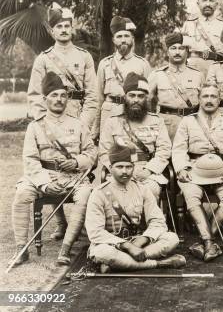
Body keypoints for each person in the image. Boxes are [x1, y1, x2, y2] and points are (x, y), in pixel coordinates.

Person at [12, 72, 96, 266]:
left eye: (62, 95)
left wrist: (76, 162)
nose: (59, 100)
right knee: (22, 193)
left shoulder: (79, 124)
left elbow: (92, 153)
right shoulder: (35, 126)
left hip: (73, 176)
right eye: (54, 95)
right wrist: (44, 183)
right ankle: (21, 249)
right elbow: (30, 159)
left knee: (85, 195)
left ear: (67, 98)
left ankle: (66, 248)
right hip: (44, 175)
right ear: (45, 99)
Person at [86, 145, 185, 272]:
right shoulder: (98, 193)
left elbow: (158, 221)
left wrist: (142, 240)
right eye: (119, 167)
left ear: (133, 168)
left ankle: (120, 263)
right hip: (111, 244)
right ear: (110, 169)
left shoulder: (142, 189)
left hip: (138, 242)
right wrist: (126, 246)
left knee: (171, 238)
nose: (124, 171)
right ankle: (161, 263)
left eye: (128, 167)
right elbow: (95, 232)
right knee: (102, 253)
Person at [172, 84, 223, 262]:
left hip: (222, 170)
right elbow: (179, 150)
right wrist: (182, 168)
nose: (209, 100)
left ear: (219, 100)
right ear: (199, 99)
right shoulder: (188, 121)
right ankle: (210, 243)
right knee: (191, 194)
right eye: (205, 96)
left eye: (213, 96)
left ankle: (204, 242)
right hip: (195, 170)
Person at [99, 73, 171, 200]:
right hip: (120, 171)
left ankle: (148, 220)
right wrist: (121, 171)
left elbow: (164, 150)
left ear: (146, 98)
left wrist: (148, 170)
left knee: (150, 190)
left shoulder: (157, 121)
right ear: (125, 97)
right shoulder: (112, 122)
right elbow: (104, 152)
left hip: (147, 170)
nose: (136, 100)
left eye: (140, 96)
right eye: (132, 95)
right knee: (113, 192)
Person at [27, 4, 97, 130]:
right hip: (52, 119)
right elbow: (35, 95)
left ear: (72, 29)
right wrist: (46, 123)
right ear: (52, 31)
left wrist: (83, 123)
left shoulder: (84, 57)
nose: (63, 30)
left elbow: (92, 95)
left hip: (79, 117)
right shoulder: (43, 59)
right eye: (59, 26)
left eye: (66, 26)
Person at [94, 16, 151, 139]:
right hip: (109, 112)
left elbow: (148, 97)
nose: (123, 40)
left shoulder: (142, 64)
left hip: (134, 112)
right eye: (119, 37)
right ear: (114, 40)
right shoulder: (105, 64)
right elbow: (98, 98)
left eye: (126, 36)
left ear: (132, 39)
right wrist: (95, 129)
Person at [148, 32, 204, 140]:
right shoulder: (156, 75)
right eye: (173, 48)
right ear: (167, 52)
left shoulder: (198, 75)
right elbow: (147, 102)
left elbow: (204, 102)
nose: (177, 52)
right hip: (166, 126)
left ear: (187, 52)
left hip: (192, 124)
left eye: (181, 48)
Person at [180, 0, 223, 75]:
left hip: (217, 69)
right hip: (192, 68)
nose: (208, 4)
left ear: (216, 4)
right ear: (198, 4)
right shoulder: (188, 24)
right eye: (204, 0)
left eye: (211, 0)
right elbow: (182, 50)